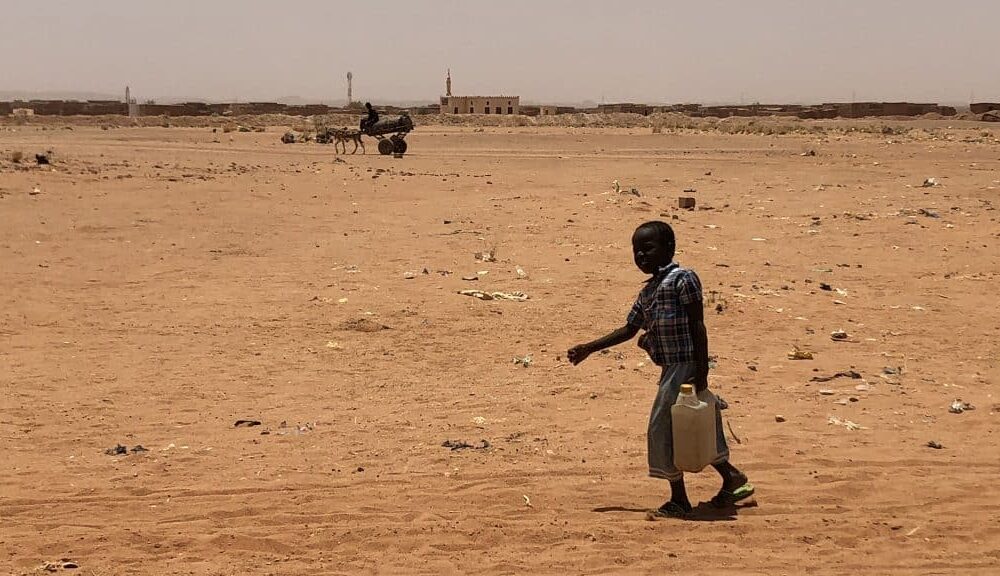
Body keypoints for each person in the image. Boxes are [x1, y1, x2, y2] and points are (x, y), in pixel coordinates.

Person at [567, 220, 754, 518]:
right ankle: (731, 478)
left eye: (648, 248)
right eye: (636, 251)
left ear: (670, 248)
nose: (641, 256)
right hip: (670, 370)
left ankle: (679, 499)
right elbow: (630, 329)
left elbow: (698, 325)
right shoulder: (649, 292)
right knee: (690, 427)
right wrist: (589, 347)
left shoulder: (683, 279)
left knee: (662, 430)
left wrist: (701, 370)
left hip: (686, 366)